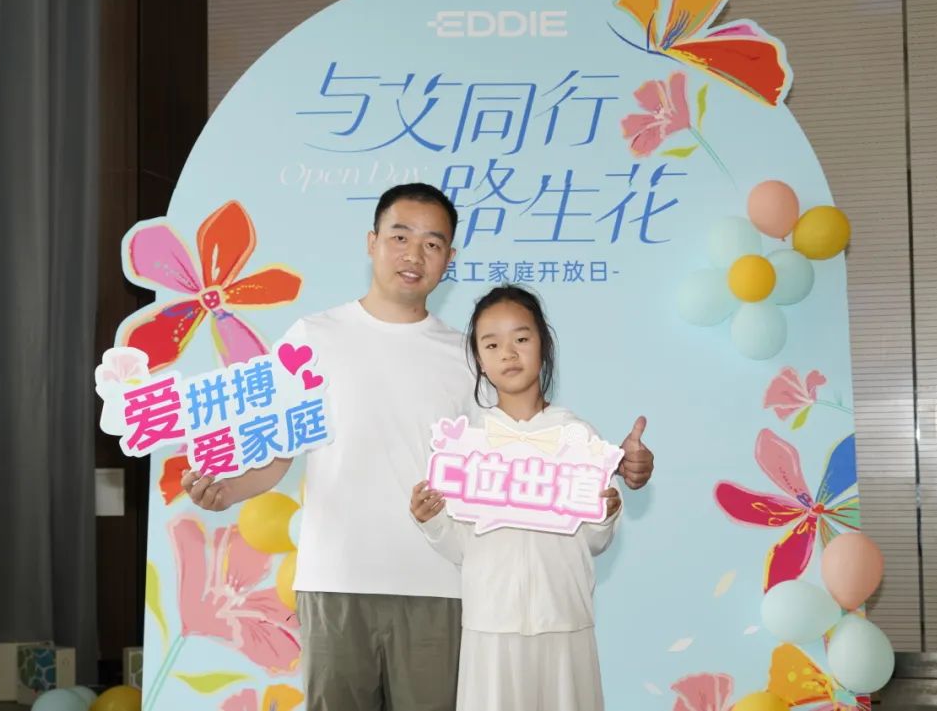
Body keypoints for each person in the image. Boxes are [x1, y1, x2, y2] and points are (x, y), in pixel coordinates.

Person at [181, 183, 654, 711]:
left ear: (450, 258)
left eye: (433, 243)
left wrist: (612, 466)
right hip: (337, 578)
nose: (414, 254)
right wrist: (227, 490)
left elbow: (523, 447)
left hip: (441, 584)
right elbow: (277, 455)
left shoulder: (468, 356)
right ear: (372, 242)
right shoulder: (311, 337)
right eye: (400, 236)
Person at [410, 284, 620, 711]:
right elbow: (460, 547)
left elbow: (595, 542)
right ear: (480, 361)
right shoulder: (465, 444)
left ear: (544, 345)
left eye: (521, 338)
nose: (508, 353)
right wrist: (432, 521)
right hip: (491, 623)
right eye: (492, 344)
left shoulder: (578, 436)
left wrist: (605, 514)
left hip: (564, 619)